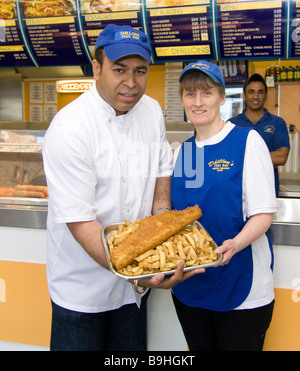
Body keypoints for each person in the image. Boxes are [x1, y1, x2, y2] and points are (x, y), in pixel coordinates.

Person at [42, 24, 201, 351]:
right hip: (82, 290)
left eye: (140, 71)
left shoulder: (152, 110)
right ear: (97, 68)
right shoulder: (70, 128)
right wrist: (139, 273)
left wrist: (162, 229)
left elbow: (160, 171)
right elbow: (81, 222)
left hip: (133, 294)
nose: (131, 83)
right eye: (119, 70)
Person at [171, 61, 277, 351]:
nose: (198, 102)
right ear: (182, 100)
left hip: (242, 285)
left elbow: (263, 214)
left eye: (206, 93)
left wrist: (236, 244)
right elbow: (183, 214)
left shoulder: (247, 141)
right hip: (191, 286)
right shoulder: (185, 150)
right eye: (190, 94)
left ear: (220, 97)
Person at [228, 73, 290, 196]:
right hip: (239, 191)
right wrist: (267, 158)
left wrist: (243, 157)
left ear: (266, 96)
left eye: (260, 92)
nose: (256, 96)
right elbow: (229, 159)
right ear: (244, 96)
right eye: (251, 92)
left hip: (268, 190)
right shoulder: (231, 124)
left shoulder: (277, 123)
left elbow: (282, 157)